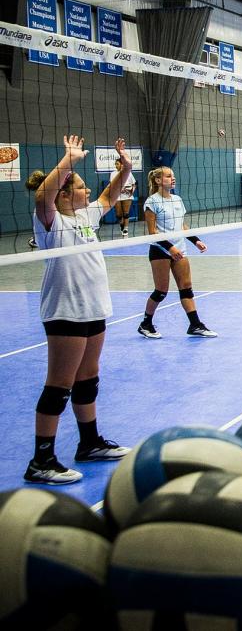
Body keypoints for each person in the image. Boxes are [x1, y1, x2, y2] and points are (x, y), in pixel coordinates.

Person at [24, 135, 132, 484]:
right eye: (81, 187)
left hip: (93, 308)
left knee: (88, 378)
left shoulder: (85, 215)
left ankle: (89, 443)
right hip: (65, 310)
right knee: (59, 384)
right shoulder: (50, 222)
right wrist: (68, 160)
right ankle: (42, 460)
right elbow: (44, 196)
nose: (88, 192)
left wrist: (127, 168)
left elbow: (109, 196)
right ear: (65, 194)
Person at [139, 166, 216, 340]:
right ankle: (146, 324)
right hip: (160, 250)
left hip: (179, 248)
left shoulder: (177, 199)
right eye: (168, 176)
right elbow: (152, 231)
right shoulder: (152, 202)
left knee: (186, 288)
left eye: (173, 176)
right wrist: (170, 248)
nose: (172, 179)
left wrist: (195, 240)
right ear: (158, 181)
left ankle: (195, 325)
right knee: (161, 291)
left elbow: (182, 226)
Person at [109, 157, 136, 237]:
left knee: (126, 213)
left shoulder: (128, 173)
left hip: (127, 195)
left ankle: (126, 228)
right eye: (115, 164)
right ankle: (122, 226)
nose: (116, 166)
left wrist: (130, 191)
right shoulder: (113, 173)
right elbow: (112, 185)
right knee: (118, 214)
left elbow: (134, 184)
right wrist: (118, 188)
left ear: (122, 164)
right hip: (117, 195)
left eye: (117, 164)